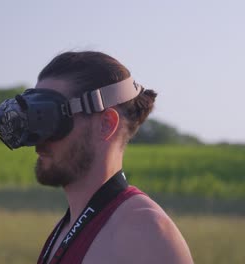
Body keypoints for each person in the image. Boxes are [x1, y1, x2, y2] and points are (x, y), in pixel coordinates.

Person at [34, 51, 194, 264]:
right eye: (35, 121)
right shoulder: (65, 228)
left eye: (51, 119)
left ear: (106, 124)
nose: (38, 140)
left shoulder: (146, 234)